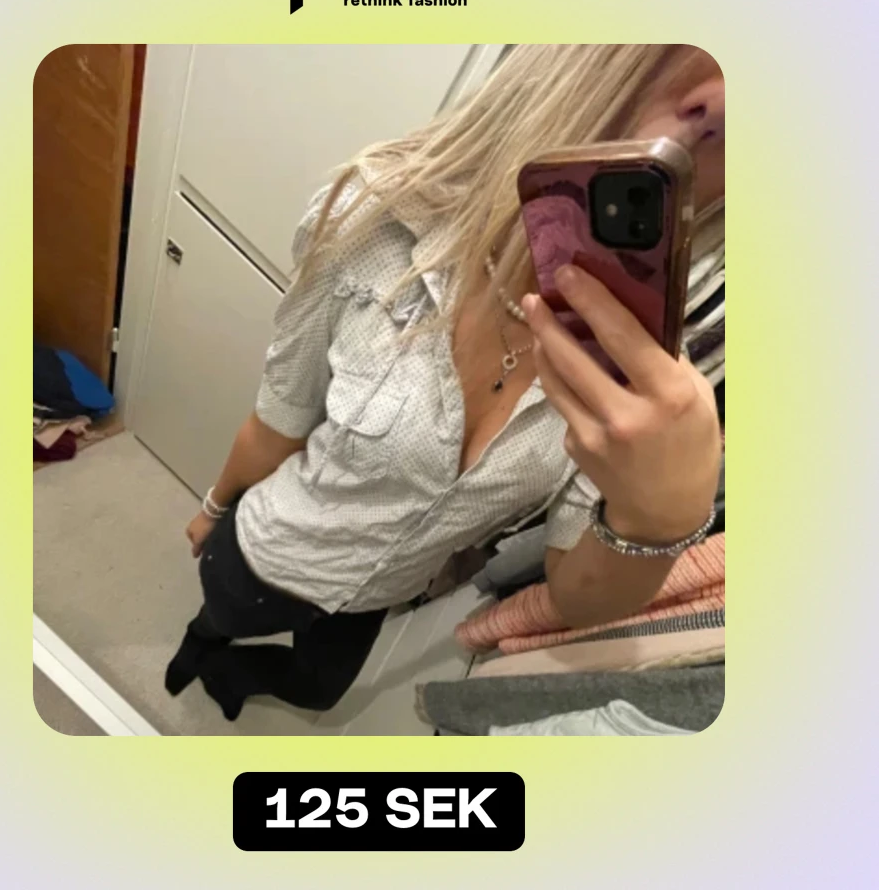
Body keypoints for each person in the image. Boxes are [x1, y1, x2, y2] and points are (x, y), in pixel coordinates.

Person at [164, 43, 725, 721]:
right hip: (272, 552)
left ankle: (233, 675)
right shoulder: (373, 223)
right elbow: (276, 422)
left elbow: (574, 597)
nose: (723, 100)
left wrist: (660, 521)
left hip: (377, 595)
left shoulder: (645, 388)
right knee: (217, 620)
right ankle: (201, 651)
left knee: (317, 690)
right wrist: (213, 510)